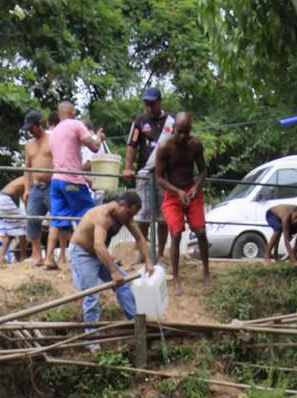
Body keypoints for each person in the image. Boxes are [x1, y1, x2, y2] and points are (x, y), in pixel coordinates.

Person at [69, 190, 154, 339]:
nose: (130, 218)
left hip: (99, 255)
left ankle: (136, 324)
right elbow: (98, 246)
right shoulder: (103, 216)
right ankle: (92, 341)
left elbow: (140, 238)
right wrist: (114, 271)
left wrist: (148, 261)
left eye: (133, 215)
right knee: (92, 295)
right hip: (83, 253)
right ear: (120, 205)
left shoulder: (125, 217)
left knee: (125, 284)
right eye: (128, 213)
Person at [45, 101, 105, 270]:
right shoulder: (76, 125)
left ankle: (50, 258)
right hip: (72, 181)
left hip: (56, 181)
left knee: (58, 221)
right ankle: (98, 255)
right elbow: (94, 147)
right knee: (91, 216)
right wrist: (98, 137)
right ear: (71, 111)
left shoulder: (54, 132)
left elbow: (60, 156)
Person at [155, 112, 210, 295]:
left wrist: (196, 187)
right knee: (176, 233)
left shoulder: (195, 144)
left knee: (201, 232)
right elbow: (159, 178)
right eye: (180, 132)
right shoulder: (164, 147)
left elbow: (203, 170)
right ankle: (176, 278)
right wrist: (177, 191)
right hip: (173, 195)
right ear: (173, 129)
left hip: (191, 191)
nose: (183, 136)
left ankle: (206, 271)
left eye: (187, 132)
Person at [123, 86, 174, 259]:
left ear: (160, 102)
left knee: (163, 216)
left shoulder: (171, 122)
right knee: (142, 214)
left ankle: (160, 254)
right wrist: (127, 167)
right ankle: (143, 252)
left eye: (153, 104)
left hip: (164, 176)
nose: (150, 107)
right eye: (147, 104)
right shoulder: (139, 121)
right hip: (144, 173)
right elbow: (132, 146)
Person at [23, 111, 52, 266]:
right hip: (36, 186)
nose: (30, 131)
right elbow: (27, 168)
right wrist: (26, 188)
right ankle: (36, 254)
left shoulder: (52, 139)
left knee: (58, 220)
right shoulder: (29, 145)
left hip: (52, 185)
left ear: (39, 124)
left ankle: (55, 255)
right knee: (32, 219)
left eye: (32, 127)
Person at [0, 175, 27, 262]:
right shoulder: (29, 179)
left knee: (10, 233)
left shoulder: (23, 179)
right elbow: (26, 198)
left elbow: (23, 198)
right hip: (5, 199)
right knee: (24, 227)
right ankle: (23, 257)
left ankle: (1, 257)